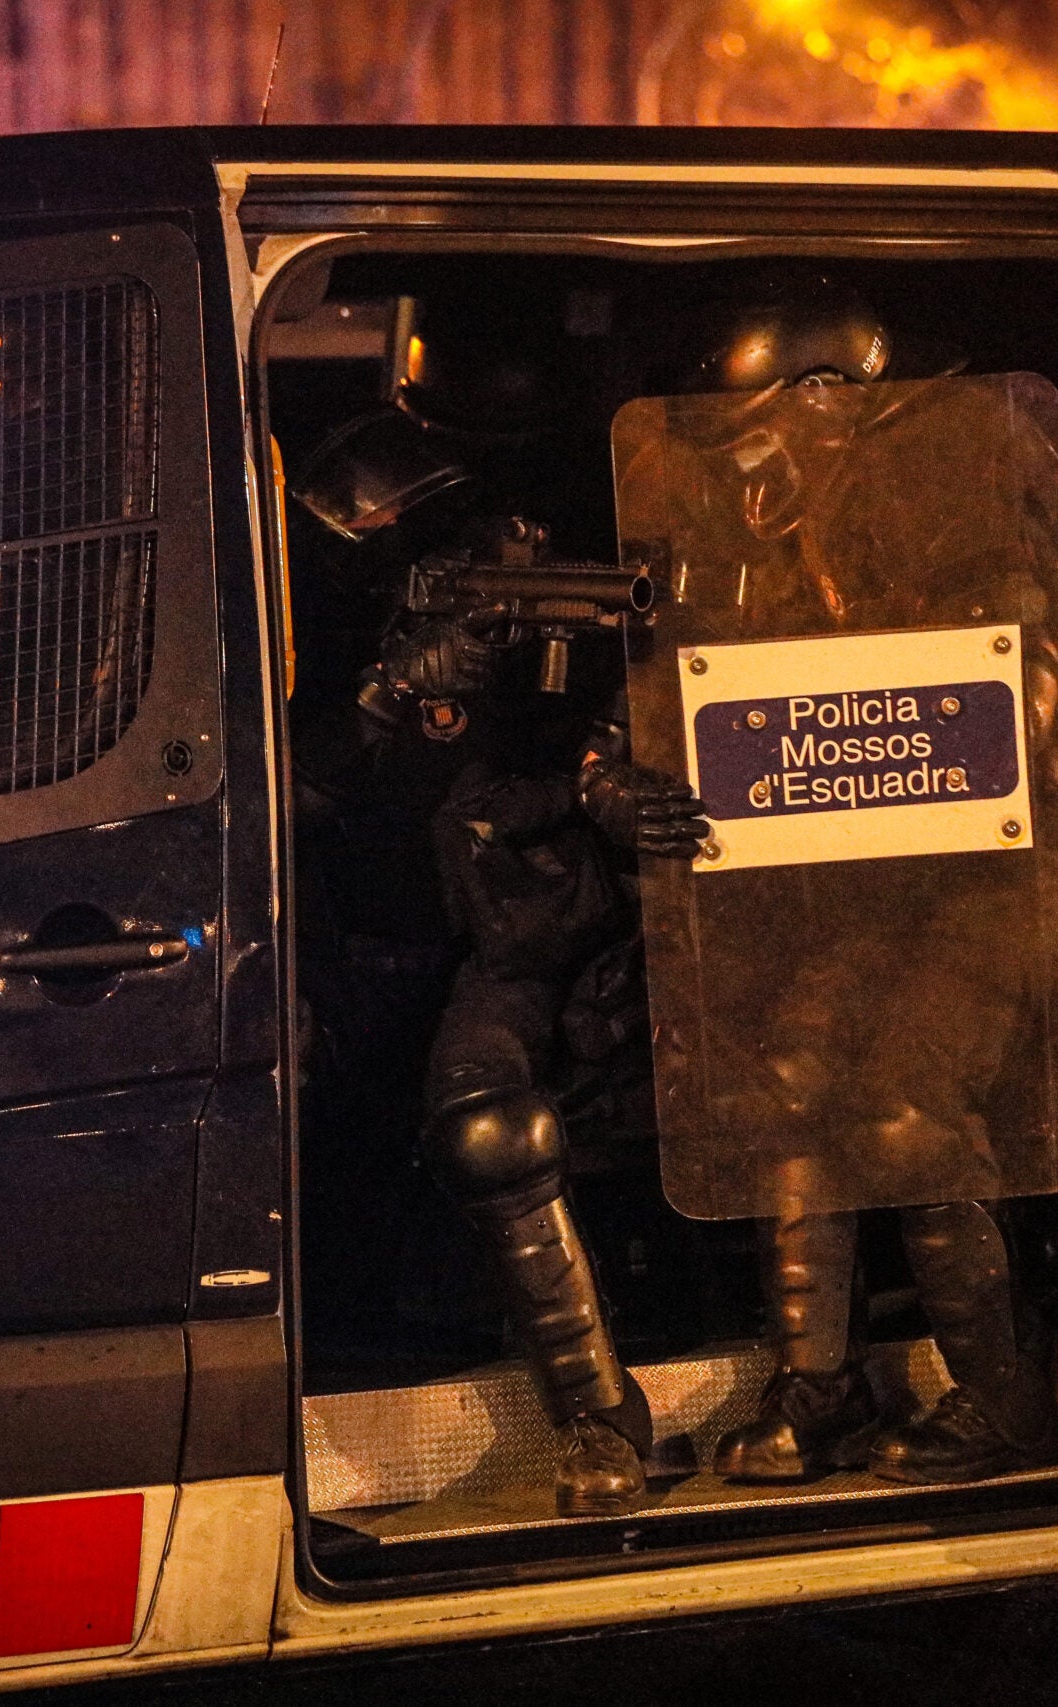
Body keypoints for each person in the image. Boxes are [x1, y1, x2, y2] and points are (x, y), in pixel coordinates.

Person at [664, 273, 1058, 1487]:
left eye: (756, 439)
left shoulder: (955, 468)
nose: (745, 476)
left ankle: (1007, 1405)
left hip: (999, 873)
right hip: (885, 869)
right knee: (790, 1082)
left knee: (905, 1105)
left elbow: (1020, 686)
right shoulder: (835, 501)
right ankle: (821, 1388)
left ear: (822, 402)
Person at [290, 293, 707, 1517]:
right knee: (403, 1161)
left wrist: (611, 783)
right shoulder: (351, 535)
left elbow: (681, 710)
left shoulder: (620, 513)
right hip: (406, 916)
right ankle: (587, 1410)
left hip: (566, 908)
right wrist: (383, 699)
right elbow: (268, 786)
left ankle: (616, 1415)